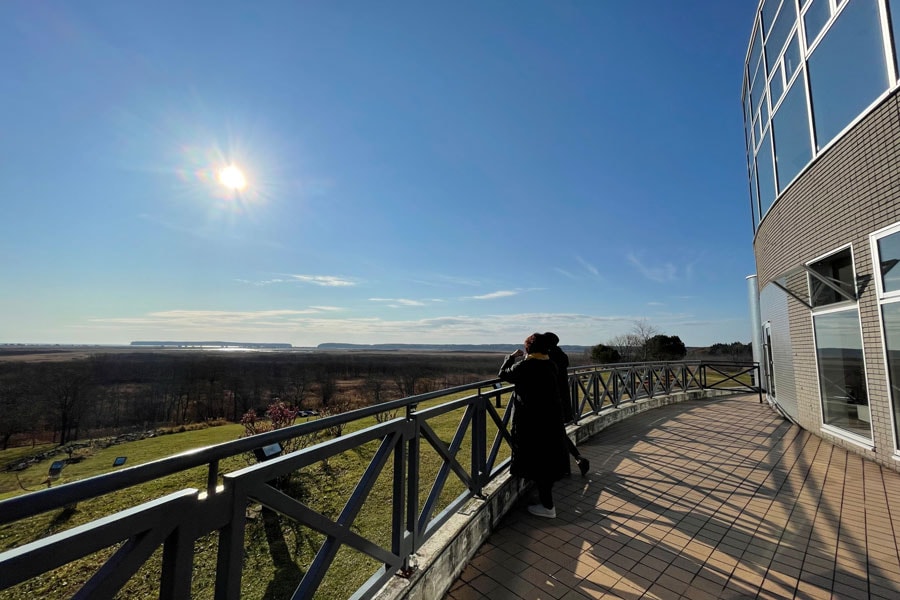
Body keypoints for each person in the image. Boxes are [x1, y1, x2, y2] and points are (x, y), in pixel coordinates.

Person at [499, 332, 569, 518]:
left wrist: (510, 358)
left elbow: (503, 374)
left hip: (533, 422)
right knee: (547, 460)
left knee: (539, 461)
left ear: (529, 348)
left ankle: (548, 507)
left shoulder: (527, 365)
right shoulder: (550, 364)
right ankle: (546, 502)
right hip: (551, 421)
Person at [545, 332, 590, 477]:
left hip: (552, 401)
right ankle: (574, 462)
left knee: (557, 434)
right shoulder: (562, 356)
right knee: (558, 433)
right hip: (562, 400)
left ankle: (572, 463)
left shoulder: (549, 357)